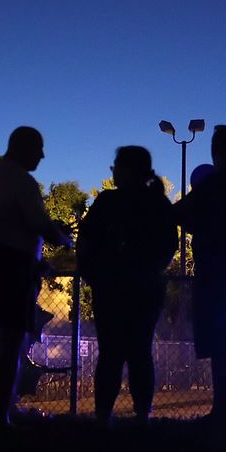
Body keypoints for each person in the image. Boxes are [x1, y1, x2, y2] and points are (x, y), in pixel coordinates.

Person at [0, 127, 72, 424]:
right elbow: (40, 224)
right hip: (14, 267)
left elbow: (11, 224)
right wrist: (63, 238)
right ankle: (0, 412)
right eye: (38, 148)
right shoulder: (22, 182)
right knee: (11, 342)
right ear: (24, 148)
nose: (42, 155)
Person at [77, 146, 177, 423]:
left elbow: (85, 241)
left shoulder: (108, 202)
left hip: (110, 288)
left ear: (127, 170)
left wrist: (91, 272)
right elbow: (169, 246)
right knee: (140, 352)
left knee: (110, 353)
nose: (114, 172)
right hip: (146, 288)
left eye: (116, 167)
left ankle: (103, 417)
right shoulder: (159, 204)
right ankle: (142, 415)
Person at [174, 124, 226, 428]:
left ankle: (223, 410)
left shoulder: (217, 183)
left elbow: (180, 212)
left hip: (220, 274)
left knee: (223, 343)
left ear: (216, 150)